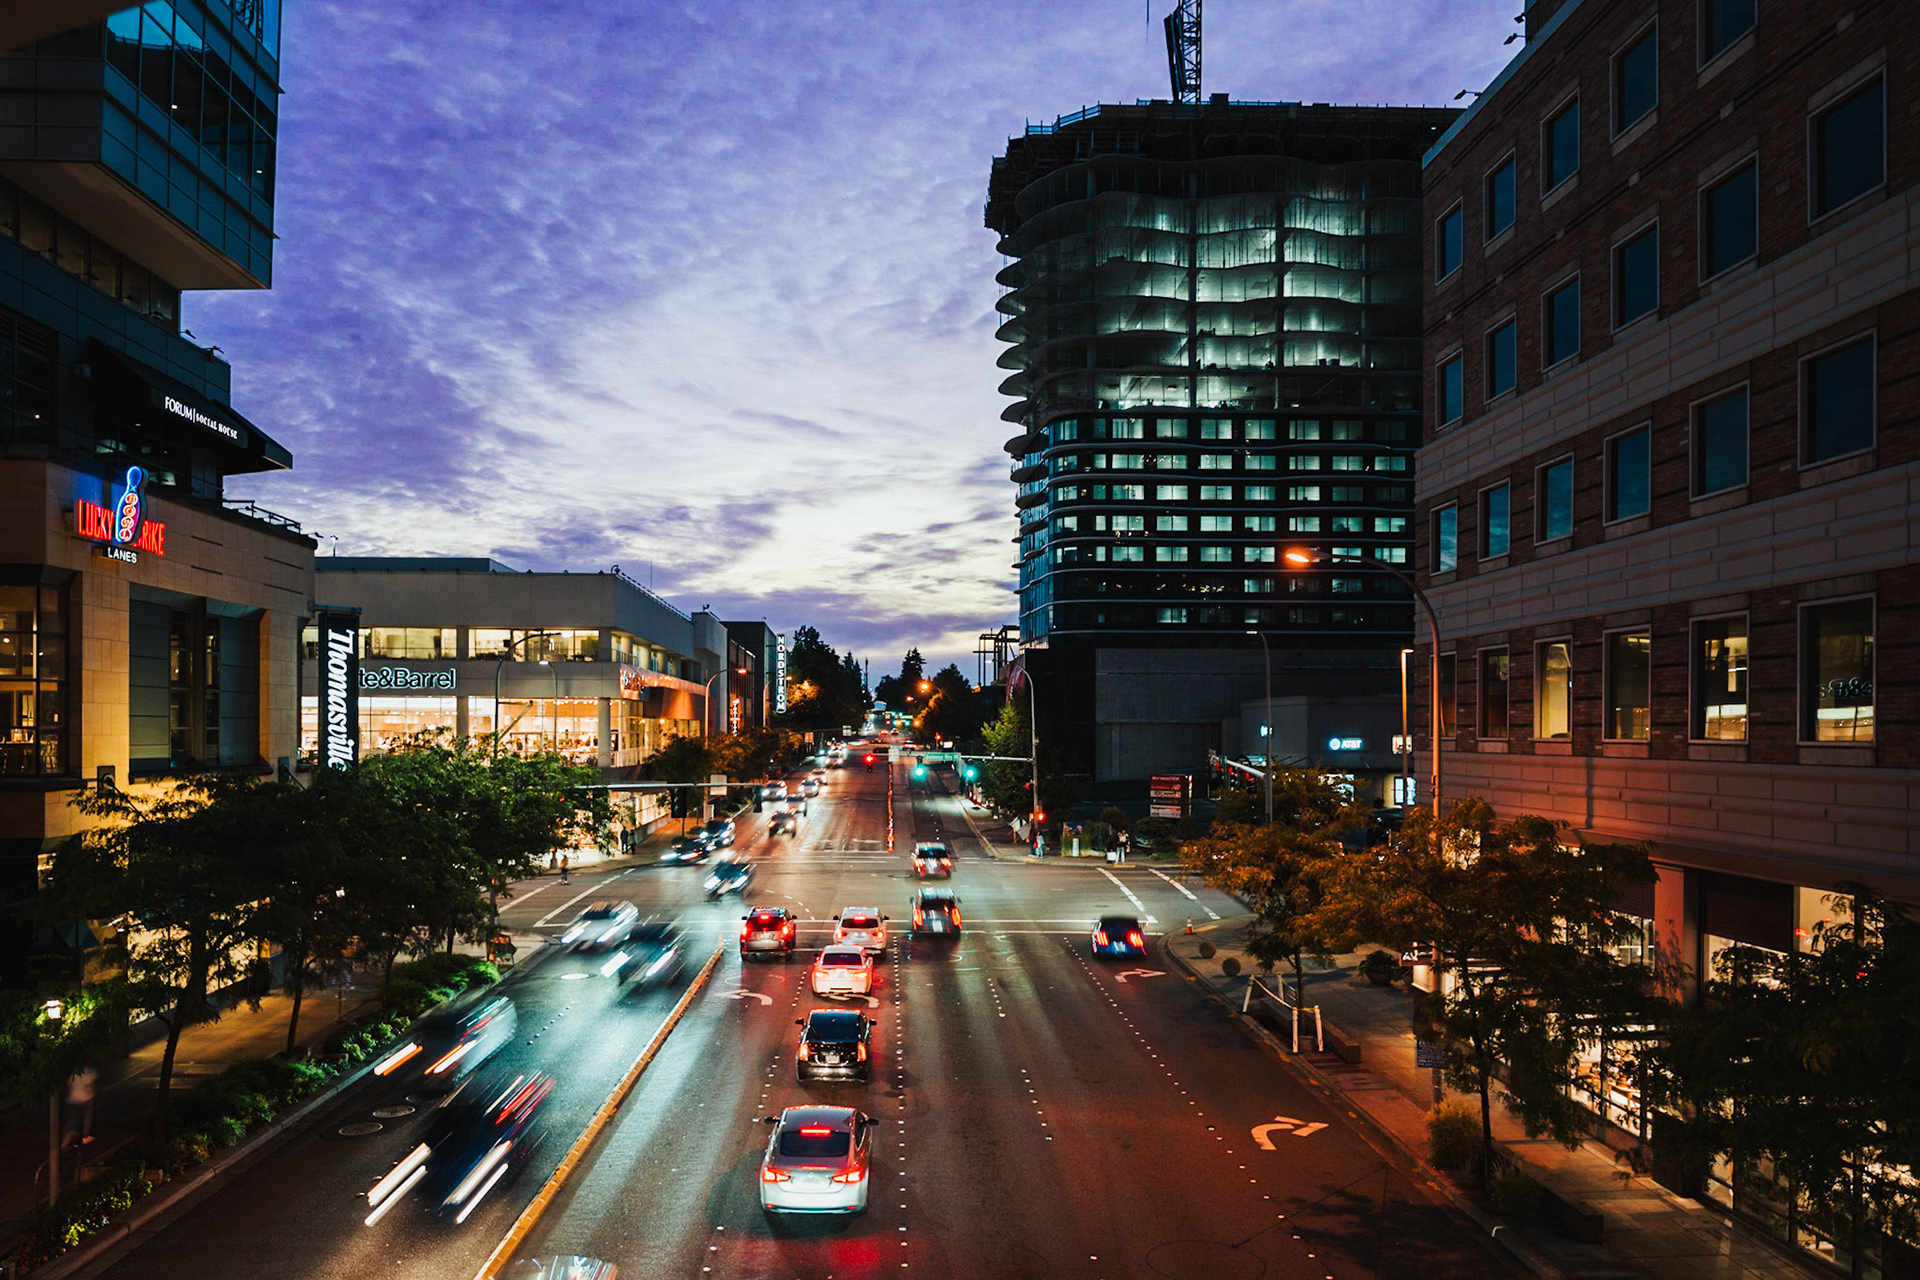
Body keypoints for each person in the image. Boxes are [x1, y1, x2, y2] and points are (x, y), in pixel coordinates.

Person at [65, 1064, 97, 1146]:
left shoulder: (72, 1073)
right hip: (85, 1099)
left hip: (73, 1099)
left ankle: (68, 1137)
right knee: (86, 1120)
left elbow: (68, 1085)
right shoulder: (89, 1071)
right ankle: (85, 1137)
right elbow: (91, 1085)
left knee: (73, 1119)